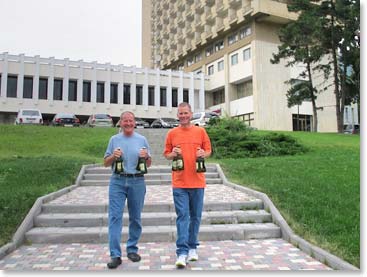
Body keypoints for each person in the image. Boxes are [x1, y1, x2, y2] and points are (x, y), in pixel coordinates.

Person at [163, 102, 212, 268]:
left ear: (191, 114)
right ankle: (182, 252)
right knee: (183, 216)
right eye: (180, 113)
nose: (183, 116)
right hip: (179, 182)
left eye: (186, 113)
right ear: (178, 115)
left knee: (196, 216)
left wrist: (202, 153)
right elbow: (167, 155)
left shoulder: (200, 131)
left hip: (198, 182)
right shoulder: (172, 133)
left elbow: (208, 151)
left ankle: (192, 247)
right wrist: (173, 154)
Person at [104, 111, 152, 269]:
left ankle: (132, 249)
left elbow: (149, 163)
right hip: (117, 181)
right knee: (115, 218)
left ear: (135, 122)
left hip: (137, 181)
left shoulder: (142, 139)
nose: (128, 123)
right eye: (125, 120)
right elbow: (105, 162)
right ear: (120, 122)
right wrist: (113, 156)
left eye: (131, 120)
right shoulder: (114, 139)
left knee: (135, 217)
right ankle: (115, 255)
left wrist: (145, 156)